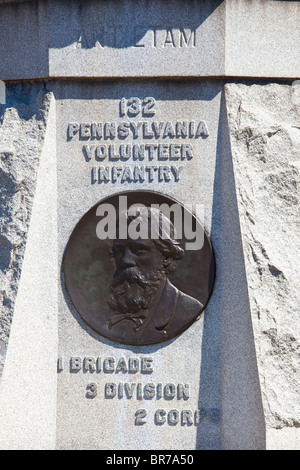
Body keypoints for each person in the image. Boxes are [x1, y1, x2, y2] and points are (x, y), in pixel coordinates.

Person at [105, 206, 203, 345]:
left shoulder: (188, 311)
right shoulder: (103, 311)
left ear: (166, 256)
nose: (126, 260)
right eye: (120, 250)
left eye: (138, 249)